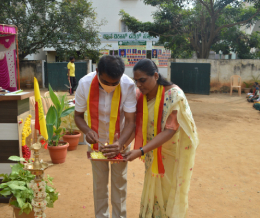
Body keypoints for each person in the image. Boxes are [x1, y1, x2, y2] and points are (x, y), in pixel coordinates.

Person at [123, 59, 199, 218]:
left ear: (156, 75)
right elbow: (137, 125)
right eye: (136, 81)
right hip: (152, 153)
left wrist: (141, 150)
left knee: (166, 191)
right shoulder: (141, 96)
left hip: (170, 154)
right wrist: (121, 145)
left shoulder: (174, 95)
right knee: (153, 191)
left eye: (142, 80)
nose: (139, 85)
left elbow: (170, 130)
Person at [74, 55, 136, 218]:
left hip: (120, 141)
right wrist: (87, 131)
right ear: (97, 72)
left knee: (119, 184)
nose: (110, 87)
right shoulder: (85, 84)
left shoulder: (128, 85)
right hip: (97, 143)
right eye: (105, 83)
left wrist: (120, 143)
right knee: (99, 185)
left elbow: (130, 122)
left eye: (114, 84)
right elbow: (78, 116)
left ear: (121, 77)